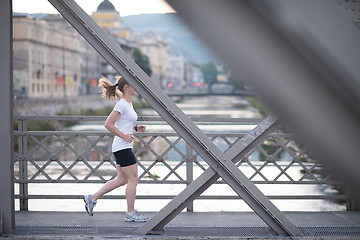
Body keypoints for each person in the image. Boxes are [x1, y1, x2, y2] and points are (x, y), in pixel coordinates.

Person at [83, 76, 148, 222]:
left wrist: (136, 128)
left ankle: (92, 198)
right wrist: (125, 136)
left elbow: (123, 123)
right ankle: (130, 213)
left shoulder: (127, 103)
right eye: (133, 85)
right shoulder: (122, 105)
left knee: (121, 180)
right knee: (134, 179)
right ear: (127, 87)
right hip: (122, 147)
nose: (136, 87)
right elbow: (108, 124)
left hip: (122, 146)